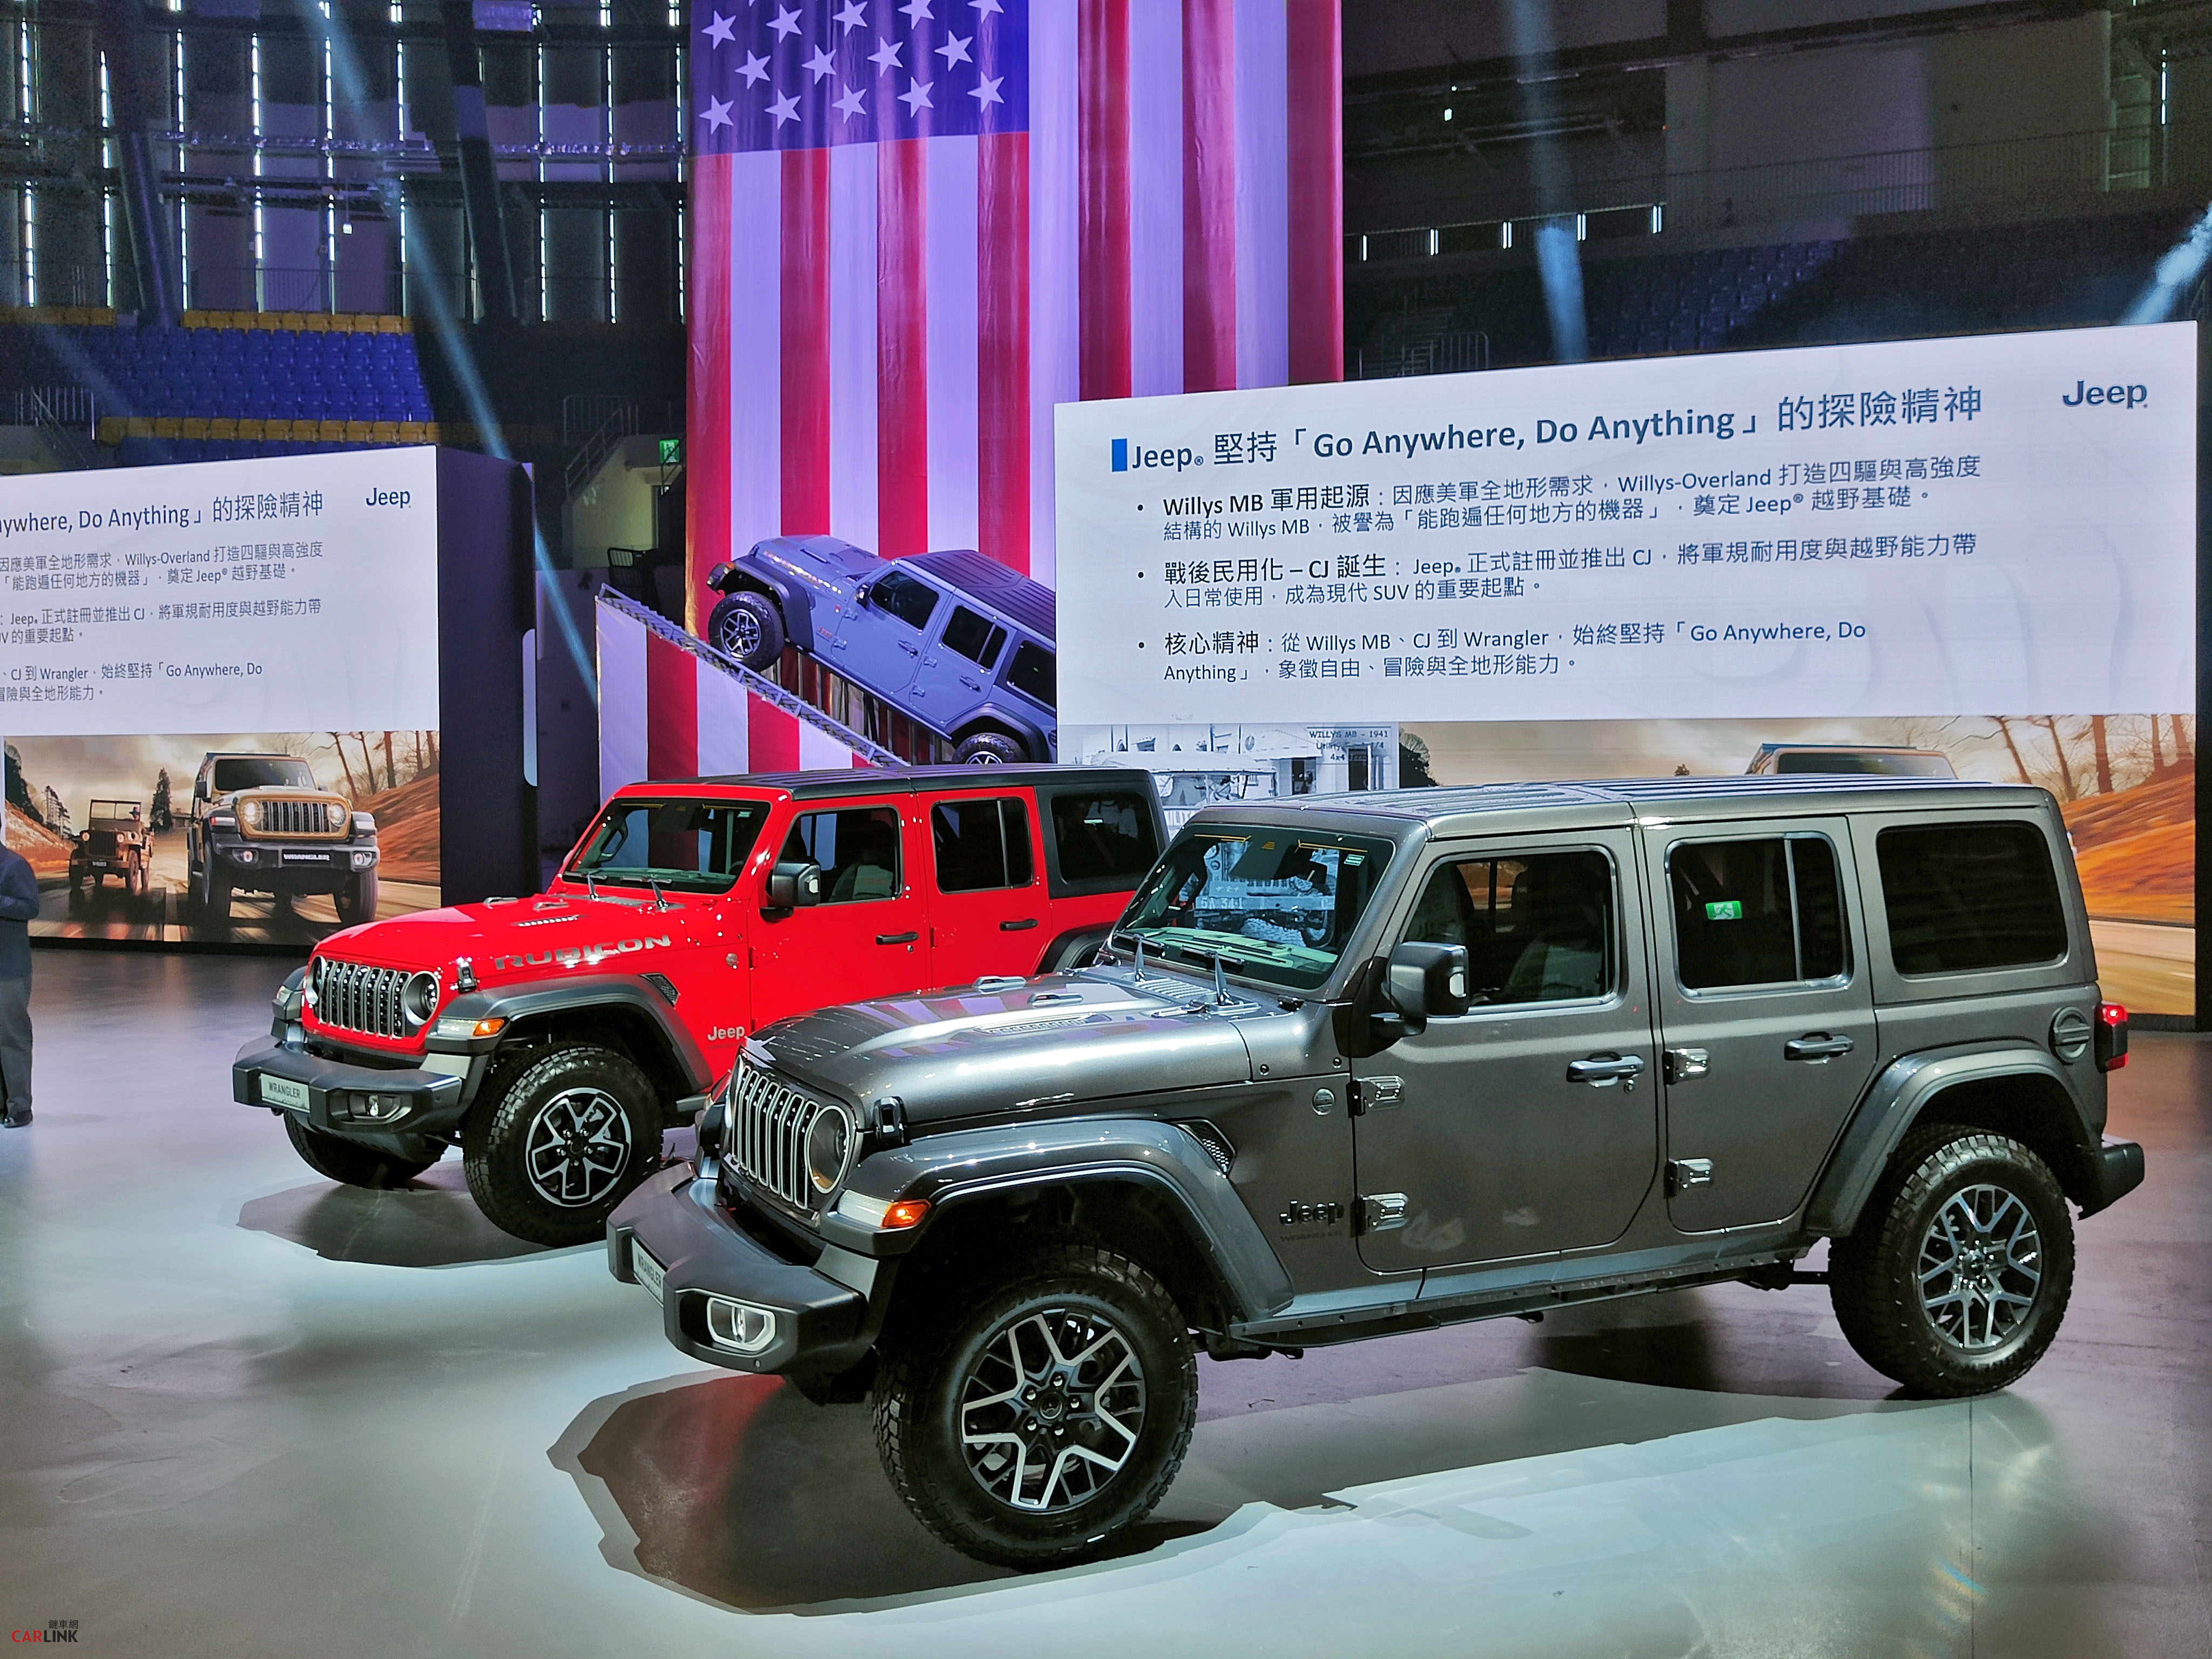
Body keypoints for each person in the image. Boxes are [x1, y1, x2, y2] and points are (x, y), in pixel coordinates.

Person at [0, 831, 35, 1127]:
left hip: (9, 969)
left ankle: (20, 1107)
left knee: (11, 1038)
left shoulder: (14, 865)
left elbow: (30, 906)